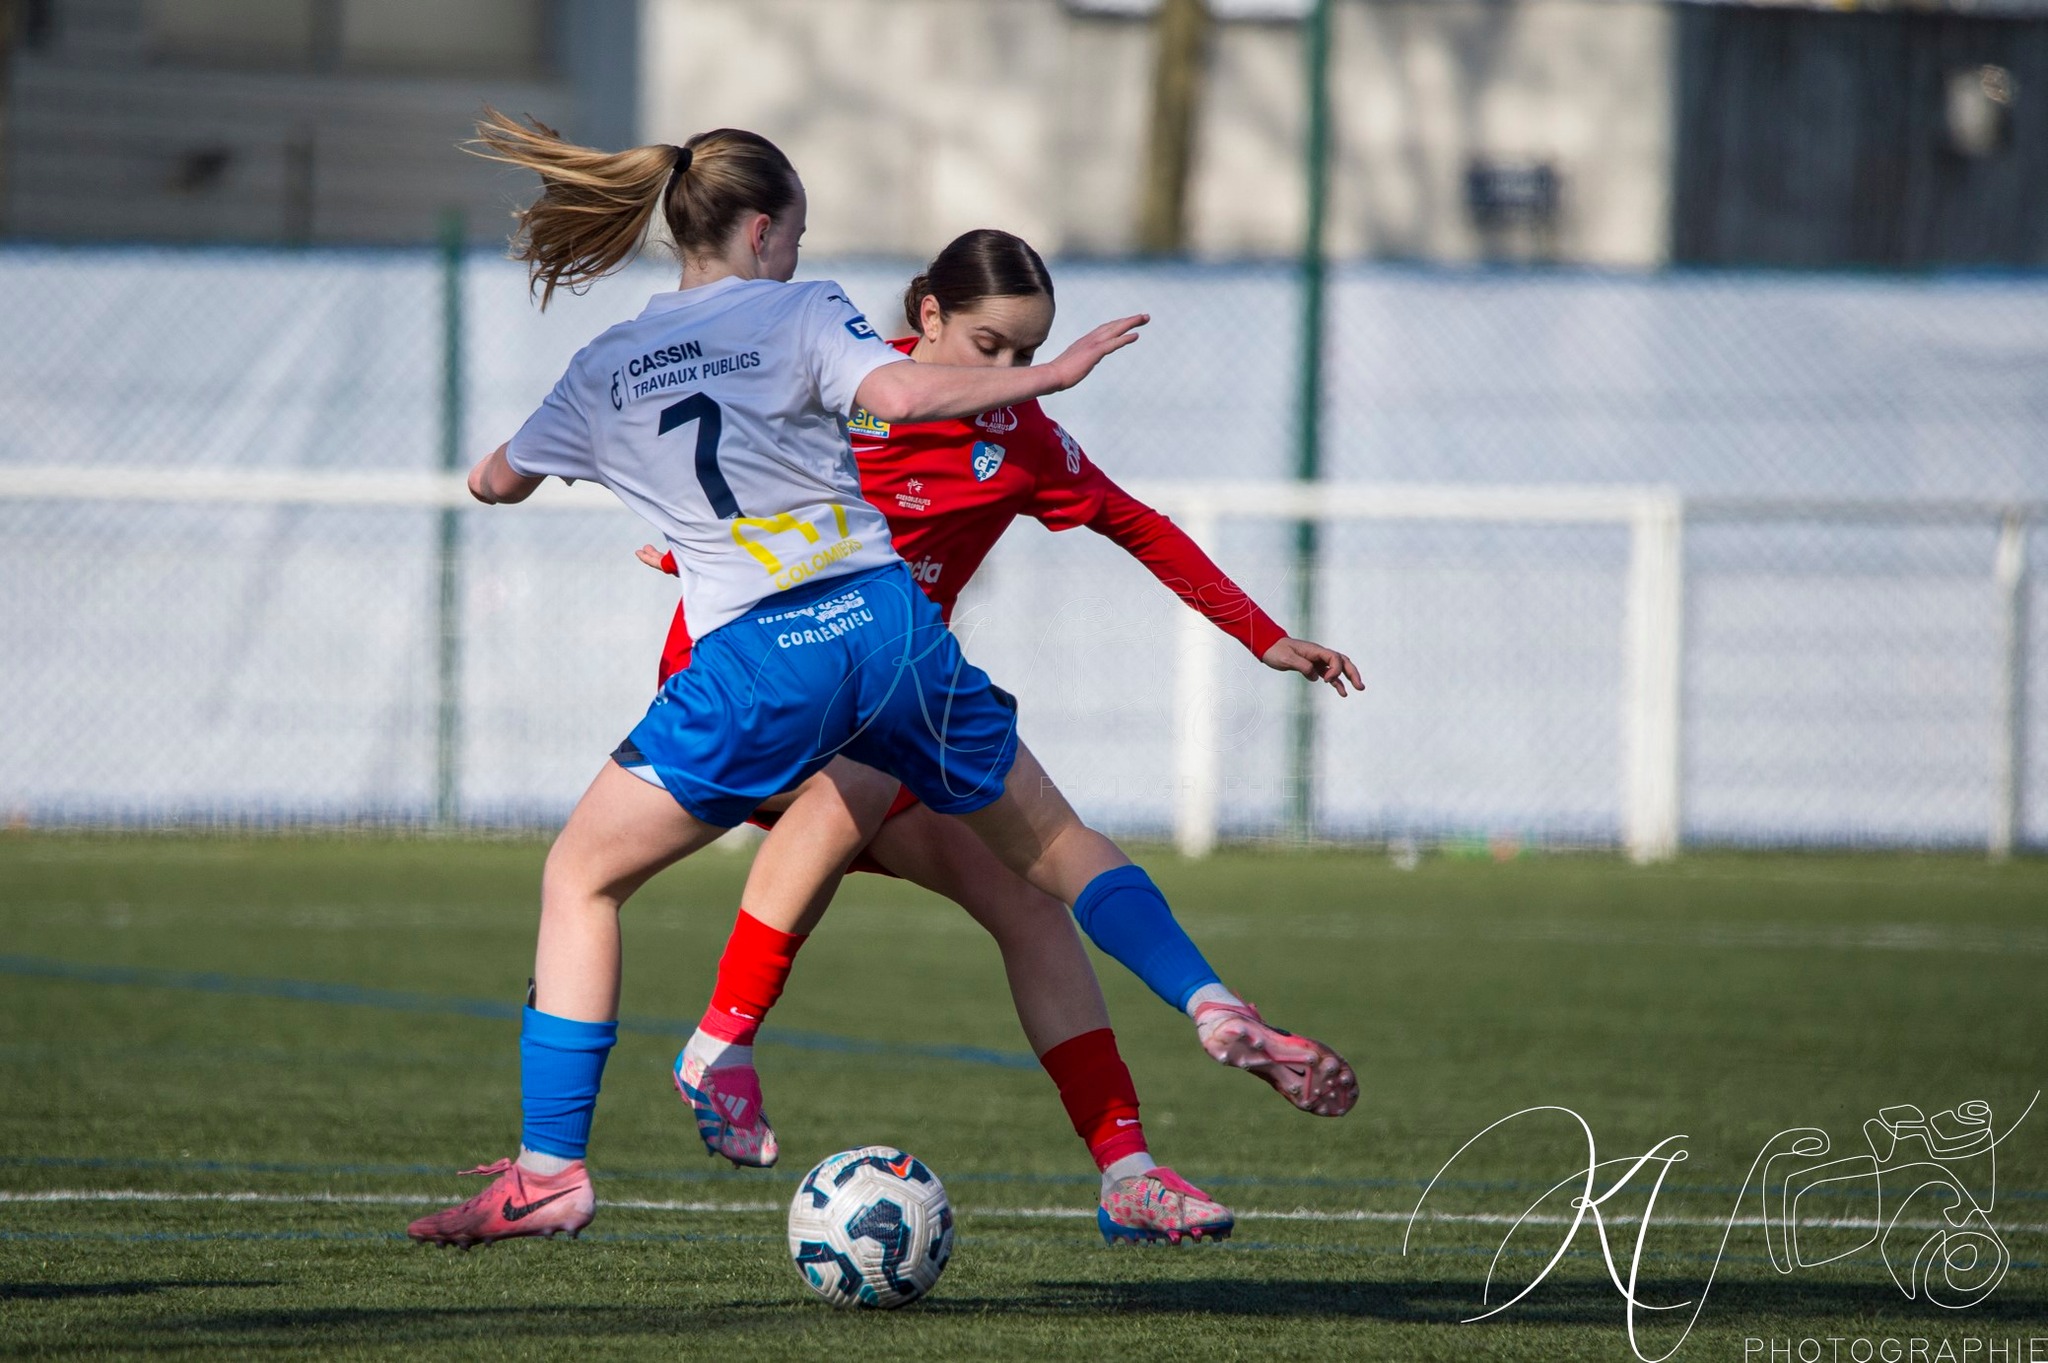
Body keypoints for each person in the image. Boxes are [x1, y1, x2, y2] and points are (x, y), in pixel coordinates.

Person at [401, 112, 1274, 1250]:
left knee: (582, 876)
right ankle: (1199, 1010)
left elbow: (490, 481)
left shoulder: (603, 366)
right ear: (763, 231)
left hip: (760, 673)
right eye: (798, 234)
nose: (803, 257)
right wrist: (1054, 375)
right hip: (888, 636)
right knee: (1037, 866)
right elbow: (894, 399)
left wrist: (607, 481)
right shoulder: (806, 312)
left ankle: (561, 1161)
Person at [641, 231, 1362, 1243]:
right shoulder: (832, 378)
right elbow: (702, 452)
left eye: (1027, 356)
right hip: (747, 682)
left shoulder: (1017, 436)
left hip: (888, 694)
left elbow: (1135, 522)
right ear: (926, 316)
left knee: (1028, 898)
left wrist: (1265, 634)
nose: (1011, 377)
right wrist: (688, 543)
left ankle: (1129, 1169)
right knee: (855, 758)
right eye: (991, 347)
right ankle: (720, 1043)